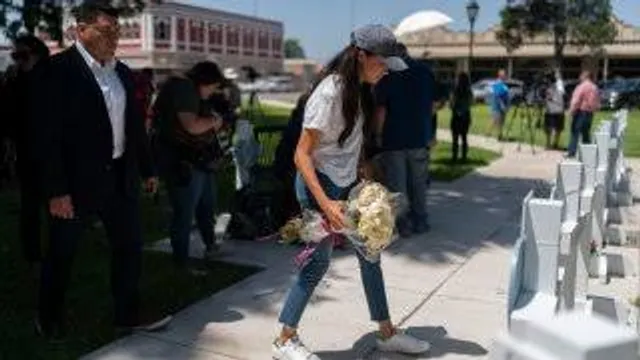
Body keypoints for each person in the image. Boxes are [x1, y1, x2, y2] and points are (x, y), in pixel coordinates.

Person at [272, 24, 430, 360]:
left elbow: (346, 143)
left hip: (344, 185)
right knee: (316, 265)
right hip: (320, 187)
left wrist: (362, 175)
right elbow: (301, 155)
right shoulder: (330, 93)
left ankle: (387, 334)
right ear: (361, 55)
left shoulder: (360, 88)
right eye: (382, 63)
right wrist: (325, 203)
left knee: (370, 257)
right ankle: (285, 340)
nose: (386, 71)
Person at [33, 1, 172, 339]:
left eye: (117, 31)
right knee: (62, 253)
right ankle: (48, 319)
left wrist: (147, 169)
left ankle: (127, 314)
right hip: (75, 184)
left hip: (119, 178)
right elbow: (43, 136)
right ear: (80, 30)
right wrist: (55, 190)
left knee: (129, 247)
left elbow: (134, 126)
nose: (114, 37)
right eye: (107, 30)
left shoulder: (122, 72)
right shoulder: (55, 71)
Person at [152, 61, 226, 271]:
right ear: (205, 81)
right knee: (184, 212)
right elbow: (191, 125)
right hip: (182, 161)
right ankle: (181, 263)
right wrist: (213, 121)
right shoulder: (184, 88)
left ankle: (210, 246)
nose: (213, 92)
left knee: (206, 205)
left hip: (196, 160)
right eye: (213, 86)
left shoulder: (185, 88)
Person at [373, 43, 434, 237]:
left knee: (397, 184)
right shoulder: (425, 72)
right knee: (419, 182)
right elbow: (433, 106)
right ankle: (421, 220)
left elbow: (381, 110)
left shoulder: (388, 76)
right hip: (419, 137)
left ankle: (403, 223)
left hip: (394, 138)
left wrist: (378, 135)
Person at [2, 34, 49, 267]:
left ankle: (56, 250)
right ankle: (32, 254)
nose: (18, 61)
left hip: (51, 151)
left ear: (37, 54)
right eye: (15, 56)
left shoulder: (50, 78)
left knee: (55, 202)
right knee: (30, 207)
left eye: (23, 55)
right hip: (26, 152)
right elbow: (8, 117)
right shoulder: (14, 82)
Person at [567, 70, 600, 158]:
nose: (580, 77)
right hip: (589, 113)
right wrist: (594, 109)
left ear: (585, 76)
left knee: (575, 132)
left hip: (580, 111)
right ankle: (588, 153)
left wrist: (571, 110)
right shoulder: (594, 87)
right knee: (586, 132)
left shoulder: (581, 86)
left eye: (581, 75)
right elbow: (597, 102)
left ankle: (571, 152)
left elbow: (576, 100)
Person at [450, 72, 473, 163]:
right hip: (466, 116)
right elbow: (470, 103)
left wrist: (457, 110)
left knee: (455, 138)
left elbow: (452, 104)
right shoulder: (469, 91)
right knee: (464, 137)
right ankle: (464, 157)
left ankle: (454, 157)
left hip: (456, 116)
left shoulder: (455, 90)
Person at [544, 72, 565, 150]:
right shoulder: (560, 86)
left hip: (552, 110)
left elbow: (548, 97)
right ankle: (554, 143)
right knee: (557, 128)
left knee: (550, 128)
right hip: (557, 110)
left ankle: (550, 144)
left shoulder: (557, 86)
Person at [489, 69, 510, 140]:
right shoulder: (498, 84)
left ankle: (497, 134)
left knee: (499, 121)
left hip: (502, 106)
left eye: (505, 74)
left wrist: (507, 105)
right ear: (500, 75)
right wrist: (502, 105)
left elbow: (506, 95)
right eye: (504, 75)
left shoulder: (503, 84)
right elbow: (497, 96)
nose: (505, 76)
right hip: (498, 106)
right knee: (497, 121)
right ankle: (497, 135)